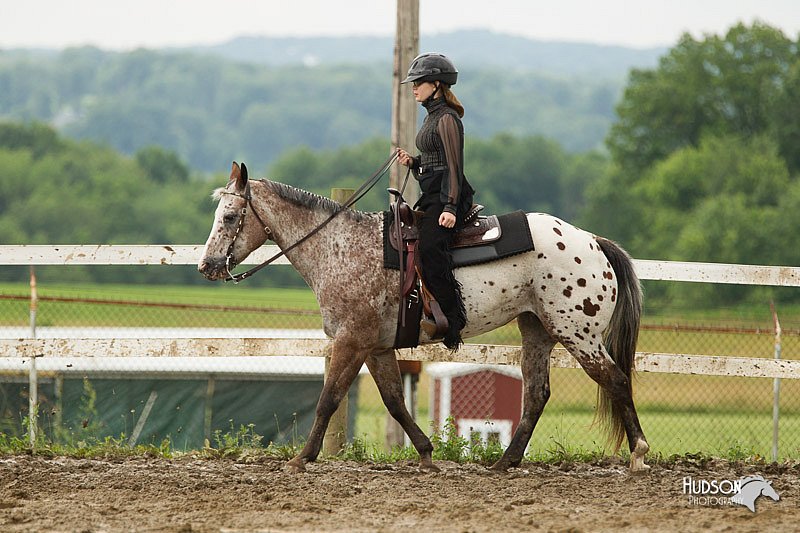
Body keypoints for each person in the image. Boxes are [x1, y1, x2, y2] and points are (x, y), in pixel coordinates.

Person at [397, 52, 475, 350]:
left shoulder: (447, 119)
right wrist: (414, 162)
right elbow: (436, 160)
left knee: (429, 248)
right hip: (432, 196)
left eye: (418, 82)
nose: (414, 87)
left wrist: (451, 208)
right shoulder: (432, 116)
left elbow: (455, 167)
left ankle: (453, 321)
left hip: (448, 198)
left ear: (437, 85)